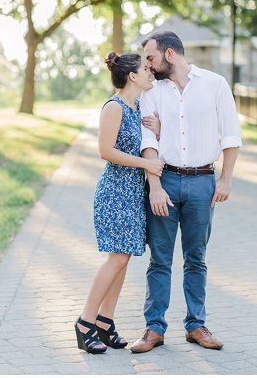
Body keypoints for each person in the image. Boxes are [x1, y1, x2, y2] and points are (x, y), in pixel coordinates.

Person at [128, 30, 242, 354]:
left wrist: (226, 179)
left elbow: (231, 136)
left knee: (196, 259)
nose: (147, 66)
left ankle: (196, 325)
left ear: (169, 54)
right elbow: (148, 143)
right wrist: (154, 188)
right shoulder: (151, 91)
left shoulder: (215, 84)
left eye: (150, 58)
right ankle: (154, 329)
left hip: (203, 182)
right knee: (159, 259)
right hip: (165, 180)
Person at [74, 52, 165, 354]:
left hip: (133, 193)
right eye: (145, 69)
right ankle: (85, 323)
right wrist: (145, 164)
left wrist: (157, 130)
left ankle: (105, 322)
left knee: (123, 259)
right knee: (117, 259)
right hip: (115, 192)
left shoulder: (138, 107)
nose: (151, 72)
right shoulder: (114, 107)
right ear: (132, 76)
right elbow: (105, 150)